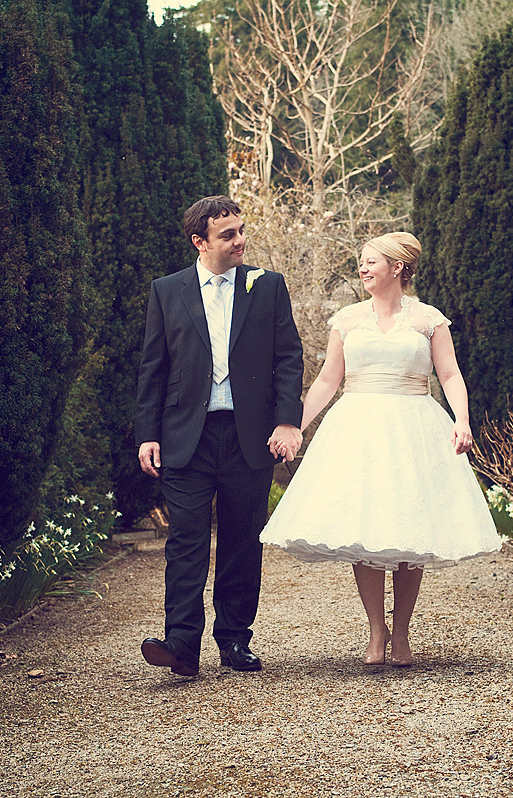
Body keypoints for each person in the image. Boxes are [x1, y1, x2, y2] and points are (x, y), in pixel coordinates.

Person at [260, 232, 500, 666]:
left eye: (371, 262)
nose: (363, 269)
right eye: (361, 262)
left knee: (410, 528)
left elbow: (449, 375)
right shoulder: (347, 320)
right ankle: (376, 630)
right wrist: (295, 427)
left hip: (414, 427)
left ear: (397, 268)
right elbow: (328, 380)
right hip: (357, 429)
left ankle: (403, 631)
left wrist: (462, 420)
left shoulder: (429, 319)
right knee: (364, 527)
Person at [135, 195, 305, 677]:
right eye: (228, 235)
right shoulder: (167, 291)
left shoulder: (267, 287)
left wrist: (287, 421)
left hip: (249, 437)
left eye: (241, 230)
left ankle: (234, 640)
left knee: (242, 540)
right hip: (185, 437)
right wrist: (147, 433)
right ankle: (181, 645)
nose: (240, 241)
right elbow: (154, 367)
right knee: (185, 541)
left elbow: (288, 358)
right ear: (199, 242)